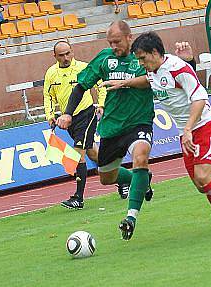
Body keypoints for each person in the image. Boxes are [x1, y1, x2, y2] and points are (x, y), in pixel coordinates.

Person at [101, 31, 211, 238]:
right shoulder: (154, 70)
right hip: (188, 132)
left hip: (204, 125)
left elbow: (200, 98)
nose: (140, 63)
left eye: (142, 58)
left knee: (203, 177)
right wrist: (124, 83)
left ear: (155, 52)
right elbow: (148, 80)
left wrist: (188, 129)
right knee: (203, 184)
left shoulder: (178, 68)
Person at [55, 21, 156, 240]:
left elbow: (155, 78)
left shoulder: (143, 55)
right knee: (106, 178)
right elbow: (81, 85)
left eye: (117, 41)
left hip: (139, 121)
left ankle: (130, 217)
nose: (114, 46)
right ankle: (141, 180)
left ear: (130, 37)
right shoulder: (105, 58)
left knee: (140, 156)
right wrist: (68, 113)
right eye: (110, 42)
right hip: (111, 126)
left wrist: (126, 83)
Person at [43, 40, 108, 209]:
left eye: (68, 53)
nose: (66, 58)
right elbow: (48, 96)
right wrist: (50, 116)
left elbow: (101, 87)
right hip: (68, 120)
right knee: (93, 153)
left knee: (78, 154)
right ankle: (123, 179)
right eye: (61, 55)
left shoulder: (83, 68)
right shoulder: (51, 73)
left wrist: (101, 105)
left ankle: (78, 198)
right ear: (55, 56)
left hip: (86, 114)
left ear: (72, 52)